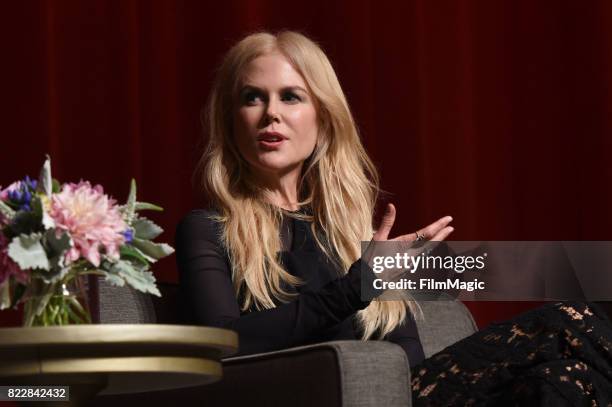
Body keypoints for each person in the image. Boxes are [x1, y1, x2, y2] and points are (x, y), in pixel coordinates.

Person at [176, 31, 612, 405]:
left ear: (323, 120)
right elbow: (221, 343)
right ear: (232, 122)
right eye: (252, 97)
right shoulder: (208, 229)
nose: (271, 112)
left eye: (291, 96)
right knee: (570, 320)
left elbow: (408, 359)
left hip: (409, 394)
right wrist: (356, 286)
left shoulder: (347, 233)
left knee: (564, 382)